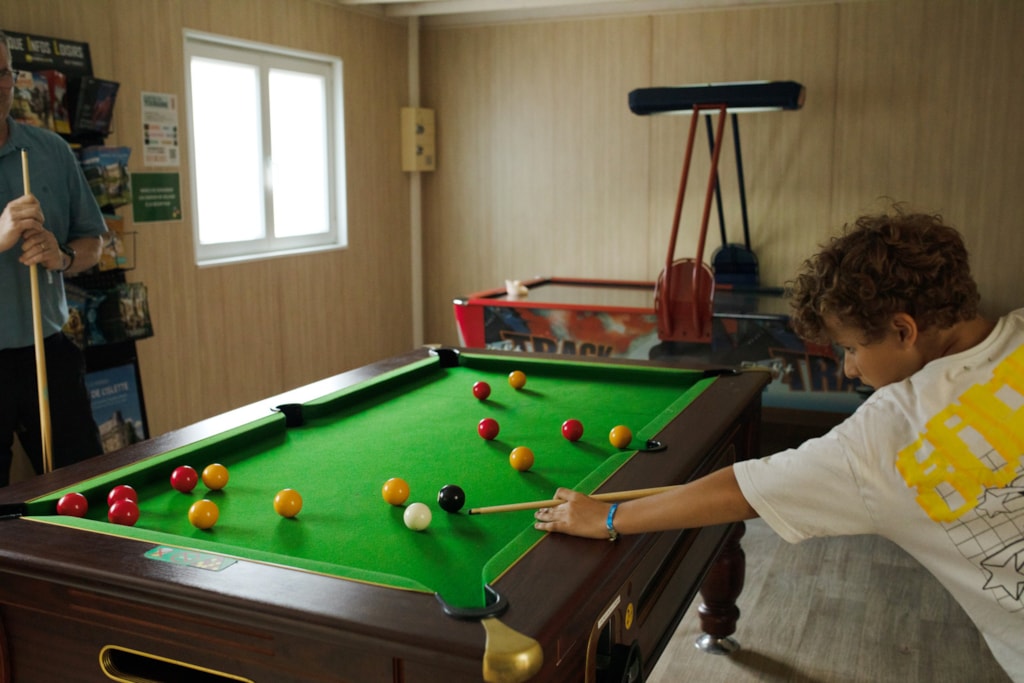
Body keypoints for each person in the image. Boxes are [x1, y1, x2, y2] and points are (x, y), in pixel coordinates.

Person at [534, 208, 1024, 682]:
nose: (850, 367)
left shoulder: (887, 436)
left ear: (903, 330)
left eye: (851, 348)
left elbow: (740, 491)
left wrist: (609, 517)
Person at [0, 31, 107, 486]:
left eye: (2, 73)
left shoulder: (49, 151)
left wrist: (60, 256)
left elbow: (93, 243)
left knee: (85, 490)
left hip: (48, 351)